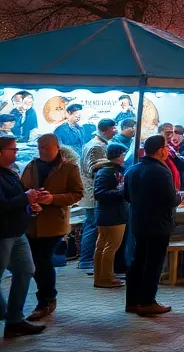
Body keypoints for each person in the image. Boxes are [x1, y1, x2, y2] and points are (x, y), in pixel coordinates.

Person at [19, 134, 83, 321]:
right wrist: (30, 202)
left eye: (46, 147)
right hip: (31, 222)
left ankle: (46, 299)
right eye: (39, 147)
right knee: (35, 263)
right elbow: (22, 189)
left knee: (43, 261)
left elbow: (77, 193)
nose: (42, 151)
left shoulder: (69, 168)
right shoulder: (31, 166)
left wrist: (52, 199)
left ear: (57, 147)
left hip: (54, 223)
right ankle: (45, 297)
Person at [123, 135, 178, 316]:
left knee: (137, 261)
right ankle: (147, 302)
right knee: (153, 263)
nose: (168, 150)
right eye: (166, 147)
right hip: (158, 224)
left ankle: (132, 301)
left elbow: (127, 196)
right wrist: (179, 197)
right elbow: (171, 199)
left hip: (138, 222)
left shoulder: (132, 170)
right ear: (160, 150)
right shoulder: (161, 171)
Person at [0, 135, 50, 337]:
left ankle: (14, 320)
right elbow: (3, 205)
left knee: (26, 270)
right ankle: (7, 314)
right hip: (2, 233)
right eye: (13, 149)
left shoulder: (9, 173)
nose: (16, 153)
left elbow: (17, 200)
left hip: (18, 232)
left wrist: (31, 204)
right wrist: (25, 197)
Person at [76, 118, 117, 276]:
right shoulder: (96, 146)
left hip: (94, 191)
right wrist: (112, 165)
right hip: (93, 192)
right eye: (113, 128)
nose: (115, 131)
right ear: (105, 129)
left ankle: (87, 259)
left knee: (91, 225)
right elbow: (93, 168)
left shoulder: (97, 144)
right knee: (92, 226)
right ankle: (86, 260)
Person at [92, 143, 129, 289]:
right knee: (109, 247)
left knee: (103, 246)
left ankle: (101, 277)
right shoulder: (107, 172)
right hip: (112, 215)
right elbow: (99, 194)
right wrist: (123, 193)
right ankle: (105, 278)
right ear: (117, 155)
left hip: (112, 213)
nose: (124, 157)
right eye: (123, 154)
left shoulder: (111, 171)